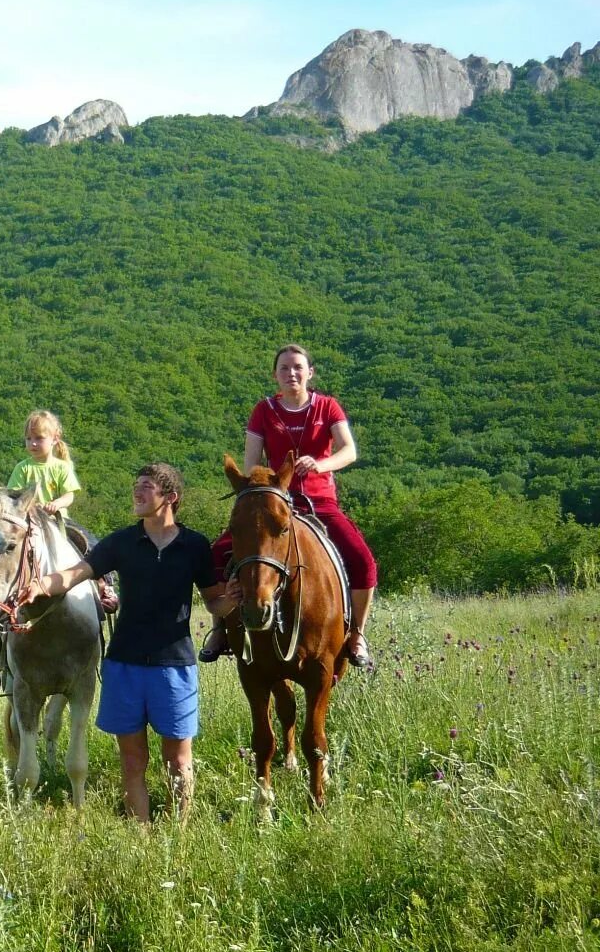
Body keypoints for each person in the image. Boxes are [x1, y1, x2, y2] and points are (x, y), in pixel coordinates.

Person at [24, 464, 234, 822]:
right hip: (124, 665)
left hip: (175, 667)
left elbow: (213, 600)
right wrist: (41, 585)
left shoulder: (195, 545)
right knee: (132, 761)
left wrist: (233, 600)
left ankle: (179, 836)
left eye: (146, 487)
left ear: (171, 498)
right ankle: (142, 836)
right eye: (135, 485)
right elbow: (76, 574)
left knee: (179, 759)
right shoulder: (121, 541)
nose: (137, 493)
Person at [199, 344, 378, 668]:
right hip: (273, 503)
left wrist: (321, 464)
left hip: (319, 501)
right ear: (275, 375)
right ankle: (220, 627)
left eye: (298, 367)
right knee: (218, 554)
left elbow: (349, 451)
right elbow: (251, 464)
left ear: (310, 372)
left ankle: (357, 635)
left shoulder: (328, 407)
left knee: (362, 560)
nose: (291, 373)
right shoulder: (263, 410)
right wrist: (267, 483)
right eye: (284, 368)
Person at [8, 409, 118, 612]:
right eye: (28, 438)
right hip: (31, 521)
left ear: (54, 439)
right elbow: (15, 496)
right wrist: (31, 506)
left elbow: (70, 495)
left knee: (89, 543)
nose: (32, 443)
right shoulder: (22, 468)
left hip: (58, 521)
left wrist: (56, 504)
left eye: (39, 438)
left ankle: (107, 587)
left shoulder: (61, 467)